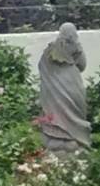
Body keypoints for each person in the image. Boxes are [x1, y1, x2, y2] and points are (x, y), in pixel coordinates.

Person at [37, 22, 91, 153]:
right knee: (72, 110)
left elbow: (41, 66)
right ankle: (71, 139)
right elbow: (83, 65)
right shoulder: (76, 46)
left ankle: (61, 139)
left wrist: (51, 80)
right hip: (73, 85)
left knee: (58, 110)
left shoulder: (49, 51)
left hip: (56, 91)